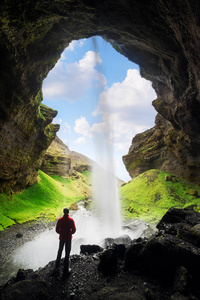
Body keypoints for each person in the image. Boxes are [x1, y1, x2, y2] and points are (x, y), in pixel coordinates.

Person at [55, 207, 76, 278]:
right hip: (68, 238)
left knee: (60, 251)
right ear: (68, 212)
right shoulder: (71, 220)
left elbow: (57, 230)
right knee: (67, 253)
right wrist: (70, 233)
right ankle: (66, 269)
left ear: (63, 212)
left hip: (62, 238)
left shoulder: (60, 220)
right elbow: (74, 230)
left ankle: (56, 266)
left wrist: (61, 233)